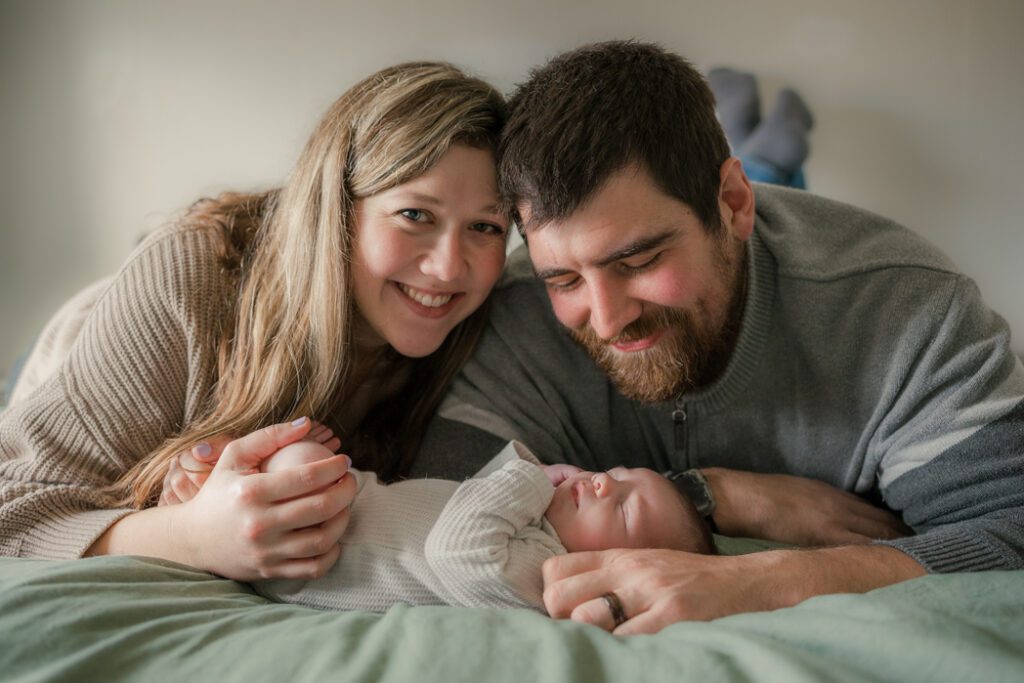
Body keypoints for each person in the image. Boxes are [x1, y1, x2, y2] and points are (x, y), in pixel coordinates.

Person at [407, 41, 1024, 634]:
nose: (606, 318)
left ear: (731, 202)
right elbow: (428, 519)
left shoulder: (907, 306)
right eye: (565, 278)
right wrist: (713, 496)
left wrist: (759, 582)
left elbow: (1009, 530)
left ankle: (771, 156)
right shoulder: (516, 321)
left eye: (638, 261)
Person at [0, 61, 511, 582]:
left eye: (485, 226)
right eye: (415, 215)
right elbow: (11, 510)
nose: (449, 266)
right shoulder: (189, 277)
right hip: (76, 352)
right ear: (336, 206)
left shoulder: (487, 324)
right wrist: (190, 537)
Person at [250, 439, 713, 613]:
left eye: (624, 511)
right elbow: (473, 497)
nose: (600, 485)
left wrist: (529, 478)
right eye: (614, 474)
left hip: (318, 553)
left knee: (300, 463)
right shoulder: (538, 528)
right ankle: (198, 487)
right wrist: (534, 477)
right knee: (300, 457)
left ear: (618, 570)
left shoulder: (547, 574)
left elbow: (458, 551)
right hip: (349, 508)